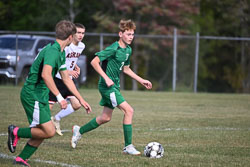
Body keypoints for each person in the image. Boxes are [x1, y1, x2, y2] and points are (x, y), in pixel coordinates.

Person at [7, 20, 91, 167]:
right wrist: (59, 97)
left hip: (41, 94)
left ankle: (21, 159)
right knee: (49, 131)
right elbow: (46, 75)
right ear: (70, 37)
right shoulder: (53, 51)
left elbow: (66, 78)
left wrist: (81, 100)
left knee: (43, 131)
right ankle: (16, 132)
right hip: (33, 94)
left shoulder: (59, 51)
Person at [71, 19, 152, 155]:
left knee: (105, 118)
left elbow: (126, 69)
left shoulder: (128, 50)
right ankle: (128, 146)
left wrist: (141, 80)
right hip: (107, 87)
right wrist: (106, 78)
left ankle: (79, 130)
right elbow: (94, 62)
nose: (131, 37)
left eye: (132, 34)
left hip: (114, 86)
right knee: (129, 111)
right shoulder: (113, 48)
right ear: (120, 34)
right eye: (128, 34)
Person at [49, 23, 86, 136]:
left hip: (68, 81)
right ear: (72, 34)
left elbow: (71, 60)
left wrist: (75, 67)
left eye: (83, 33)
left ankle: (56, 118)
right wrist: (68, 71)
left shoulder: (82, 46)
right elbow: (58, 62)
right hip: (57, 79)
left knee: (77, 104)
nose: (80, 35)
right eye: (78, 32)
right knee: (47, 108)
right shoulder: (66, 46)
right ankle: (36, 127)